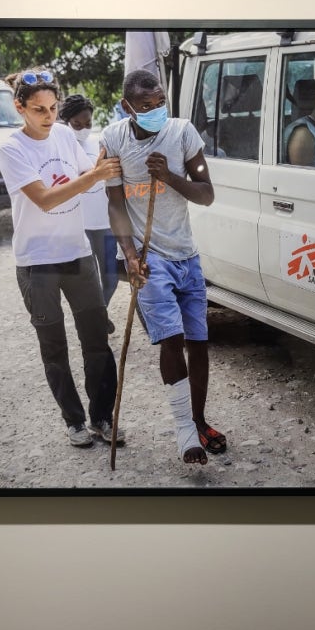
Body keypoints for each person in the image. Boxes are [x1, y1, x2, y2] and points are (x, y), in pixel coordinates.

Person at [0, 68, 125, 449]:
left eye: (53, 108)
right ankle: (74, 421)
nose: (49, 116)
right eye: (39, 109)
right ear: (20, 108)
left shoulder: (66, 135)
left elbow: (89, 174)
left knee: (97, 339)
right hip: (37, 262)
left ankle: (103, 417)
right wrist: (94, 176)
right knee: (54, 347)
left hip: (77, 254)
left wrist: (112, 165)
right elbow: (46, 197)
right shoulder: (11, 149)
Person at [102, 68, 225, 465]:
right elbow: (116, 205)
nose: (155, 110)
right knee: (171, 340)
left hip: (186, 256)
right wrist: (130, 255)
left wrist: (170, 176)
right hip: (149, 256)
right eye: (145, 105)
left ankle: (200, 419)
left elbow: (206, 194)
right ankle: (185, 433)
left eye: (160, 103)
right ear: (127, 107)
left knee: (199, 343)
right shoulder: (113, 139)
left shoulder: (183, 132)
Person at [58, 94, 120, 333]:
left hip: (105, 222)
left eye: (88, 123)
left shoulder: (99, 143)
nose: (83, 129)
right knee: (89, 281)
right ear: (66, 121)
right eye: (77, 124)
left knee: (111, 278)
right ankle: (95, 323)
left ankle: (97, 316)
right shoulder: (61, 147)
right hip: (79, 223)